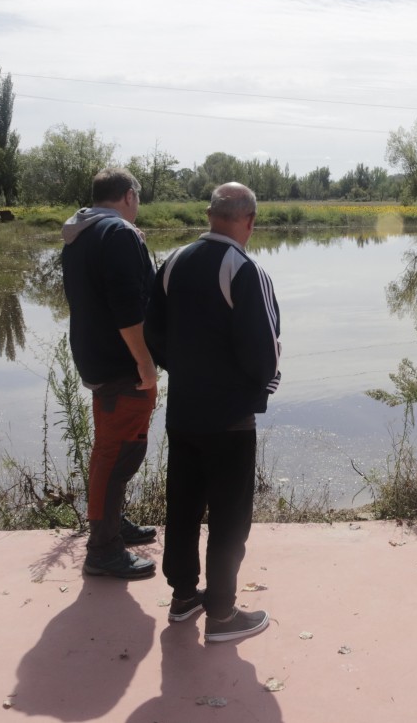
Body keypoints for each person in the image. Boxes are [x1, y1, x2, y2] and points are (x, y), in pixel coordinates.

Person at [144, 181, 280, 642]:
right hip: (229, 419)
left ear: (209, 214)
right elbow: (266, 351)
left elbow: (152, 331)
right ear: (250, 221)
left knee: (182, 504)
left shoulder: (174, 261)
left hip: (182, 411)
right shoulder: (243, 269)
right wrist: (258, 389)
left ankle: (184, 597)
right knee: (229, 515)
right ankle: (222, 614)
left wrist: (182, 368)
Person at [61, 167, 158, 580]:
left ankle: (113, 525)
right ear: (129, 196)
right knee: (116, 454)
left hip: (97, 355)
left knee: (114, 450)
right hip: (121, 363)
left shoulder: (81, 234)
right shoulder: (117, 234)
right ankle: (103, 548)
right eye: (137, 197)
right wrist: (145, 361)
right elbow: (126, 307)